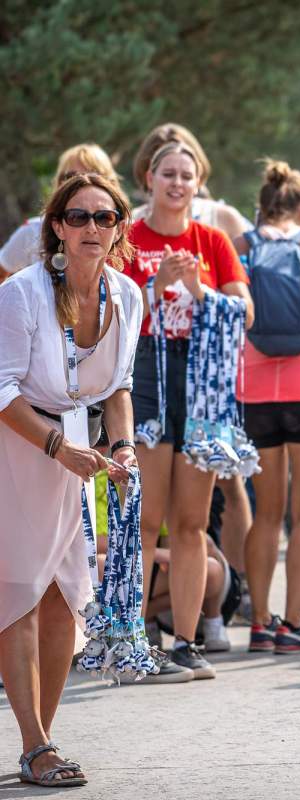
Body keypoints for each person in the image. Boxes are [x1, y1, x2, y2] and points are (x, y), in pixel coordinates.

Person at [0, 173, 141, 786]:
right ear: (56, 226)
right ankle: (36, 745)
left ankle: (41, 741)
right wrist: (58, 447)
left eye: (104, 218)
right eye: (78, 217)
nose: (91, 228)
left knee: (63, 598)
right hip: (19, 448)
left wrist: (125, 448)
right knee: (20, 595)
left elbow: (119, 387)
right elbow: (1, 390)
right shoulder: (22, 293)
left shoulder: (127, 295)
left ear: (118, 228)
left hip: (77, 449)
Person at [124, 141, 253, 678]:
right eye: (168, 174)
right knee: (144, 517)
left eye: (187, 175)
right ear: (149, 178)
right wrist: (154, 288)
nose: (177, 183)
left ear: (198, 183)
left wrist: (198, 289)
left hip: (201, 381)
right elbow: (108, 314)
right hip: (147, 375)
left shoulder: (212, 240)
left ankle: (185, 640)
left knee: (192, 522)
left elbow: (245, 312)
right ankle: (131, 640)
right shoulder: (128, 237)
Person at [234, 159, 300, 653]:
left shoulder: (240, 247)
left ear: (261, 206)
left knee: (267, 514)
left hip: (254, 391)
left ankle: (259, 622)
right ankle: (294, 624)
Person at [0, 143, 120, 280]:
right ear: (59, 183)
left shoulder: (128, 234)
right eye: (71, 177)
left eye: (93, 177)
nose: (82, 184)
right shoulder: (33, 231)